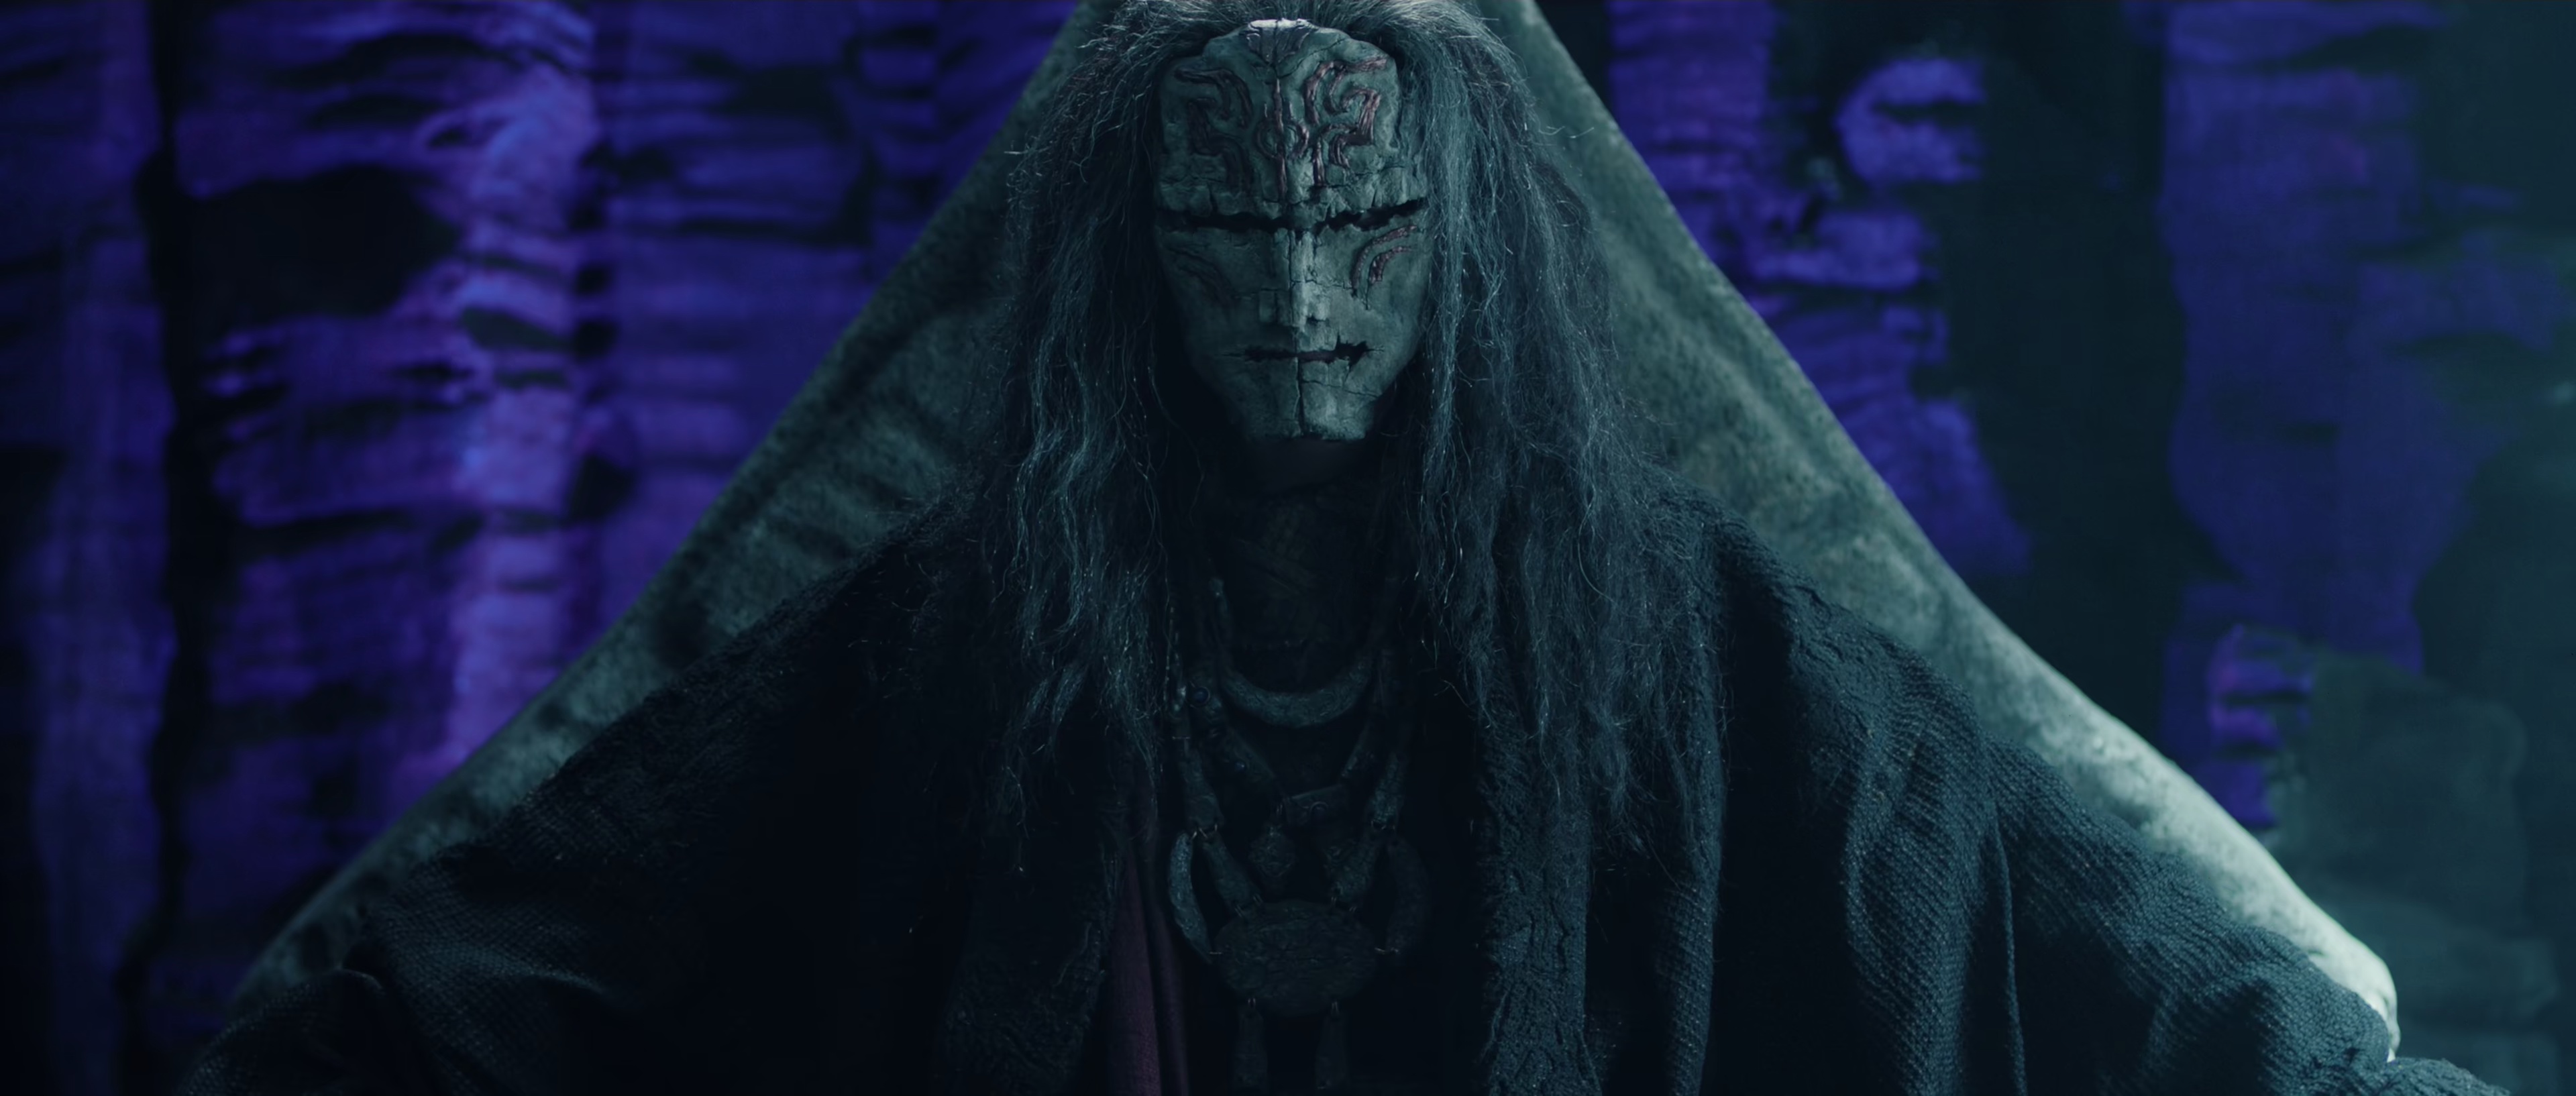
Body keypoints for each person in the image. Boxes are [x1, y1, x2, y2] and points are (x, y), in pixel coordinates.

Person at [183, 2, 2495, 1093]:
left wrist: (2301, 1061)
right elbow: (608, 909)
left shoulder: (1669, 629)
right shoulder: (966, 628)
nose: (1298, 298)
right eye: (1229, 229)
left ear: (1462, 245)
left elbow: (1983, 849)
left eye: (1364, 224)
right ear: (1128, 258)